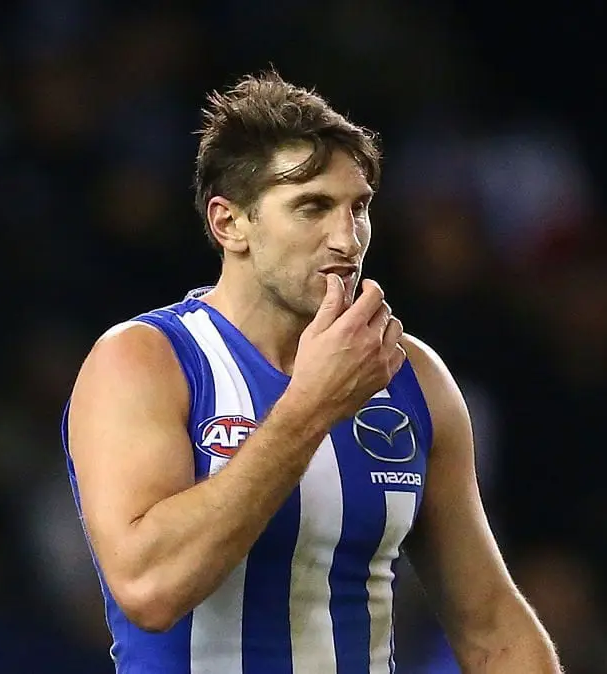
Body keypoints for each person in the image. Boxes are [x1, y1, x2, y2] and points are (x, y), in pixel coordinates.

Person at [63, 71, 561, 673]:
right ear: (229, 224)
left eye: (359, 208)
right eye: (312, 207)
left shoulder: (413, 378)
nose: (346, 239)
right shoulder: (147, 360)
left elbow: (493, 630)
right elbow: (150, 588)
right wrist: (310, 406)